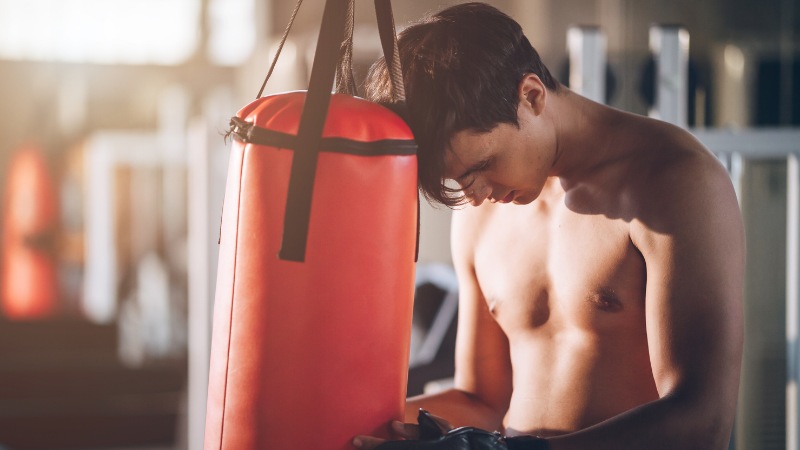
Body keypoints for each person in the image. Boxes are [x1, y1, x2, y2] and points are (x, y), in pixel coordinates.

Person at [354, 2, 744, 450]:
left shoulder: (674, 182)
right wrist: (341, 420)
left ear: (533, 96)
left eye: (482, 165)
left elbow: (702, 420)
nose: (474, 193)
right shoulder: (479, 211)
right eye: (456, 179)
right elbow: (482, 399)